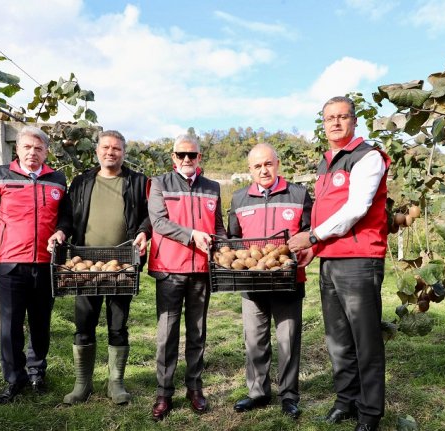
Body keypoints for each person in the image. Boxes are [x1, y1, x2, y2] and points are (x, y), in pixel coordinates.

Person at [287, 96, 391, 431]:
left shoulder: (368, 157)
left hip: (360, 261)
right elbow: (326, 212)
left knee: (365, 340)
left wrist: (312, 237)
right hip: (330, 260)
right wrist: (314, 251)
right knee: (338, 339)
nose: (335, 123)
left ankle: (370, 412)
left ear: (354, 121)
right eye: (329, 117)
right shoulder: (327, 162)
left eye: (342, 116)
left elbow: (356, 209)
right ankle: (346, 400)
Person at [47, 130, 151, 406]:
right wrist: (60, 232)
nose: (110, 152)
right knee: (84, 323)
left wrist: (144, 232)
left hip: (121, 266)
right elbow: (67, 216)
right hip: (86, 264)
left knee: (118, 324)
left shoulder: (138, 182)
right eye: (105, 147)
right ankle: (83, 383)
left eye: (116, 148)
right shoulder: (82, 182)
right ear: (97, 151)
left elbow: (149, 215)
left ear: (123, 153)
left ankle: (115, 383)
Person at [0, 125, 72, 404]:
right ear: (17, 149)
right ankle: (13, 379)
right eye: (27, 147)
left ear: (46, 152)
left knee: (41, 323)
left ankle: (36, 372)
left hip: (46, 264)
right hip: (9, 263)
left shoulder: (57, 179)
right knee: (10, 326)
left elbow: (66, 217)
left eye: (39, 148)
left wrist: (62, 231)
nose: (33, 152)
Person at [227, 143, 313, 420]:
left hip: (288, 279)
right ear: (249, 170)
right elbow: (232, 239)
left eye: (268, 164)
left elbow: (313, 231)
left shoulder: (298, 194)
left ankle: (289, 395)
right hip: (252, 281)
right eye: (257, 166)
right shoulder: (239, 198)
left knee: (288, 339)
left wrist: (311, 250)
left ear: (277, 164)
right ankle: (257, 393)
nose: (263, 170)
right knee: (254, 338)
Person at [146, 134, 226, 421]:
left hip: (201, 270)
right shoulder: (159, 184)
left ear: (199, 157)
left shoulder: (212, 187)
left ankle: (194, 388)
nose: (187, 160)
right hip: (169, 268)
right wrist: (192, 235)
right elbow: (159, 222)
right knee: (167, 335)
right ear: (173, 157)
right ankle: (163, 392)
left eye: (192, 155)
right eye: (181, 155)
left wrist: (223, 248)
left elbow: (218, 226)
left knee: (197, 332)